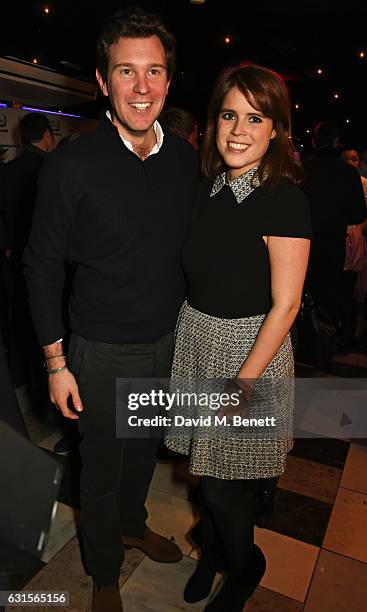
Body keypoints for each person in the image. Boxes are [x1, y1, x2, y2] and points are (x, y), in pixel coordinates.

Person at [23, 7, 198, 611]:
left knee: (143, 454)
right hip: (98, 352)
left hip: (168, 344)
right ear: (103, 80)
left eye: (154, 71)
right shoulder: (71, 166)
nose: (142, 87)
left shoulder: (184, 161)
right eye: (127, 71)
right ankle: (101, 571)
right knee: (99, 468)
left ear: (170, 80)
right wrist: (55, 362)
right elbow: (40, 266)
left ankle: (131, 525)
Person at [165, 63, 311, 611]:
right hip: (199, 341)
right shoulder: (210, 189)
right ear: (214, 121)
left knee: (229, 487)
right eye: (229, 115)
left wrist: (244, 384)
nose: (239, 129)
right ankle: (214, 551)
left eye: (256, 117)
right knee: (206, 473)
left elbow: (287, 302)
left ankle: (244, 567)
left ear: (277, 129)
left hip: (250, 353)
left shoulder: (283, 198)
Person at [0, 112, 55, 405]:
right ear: (47, 135)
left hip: (12, 264)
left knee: (19, 321)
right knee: (44, 323)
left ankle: (20, 378)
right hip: (44, 265)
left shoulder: (8, 170)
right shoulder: (52, 168)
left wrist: (8, 247)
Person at [302, 123, 366, 328]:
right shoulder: (347, 172)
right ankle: (329, 342)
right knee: (333, 294)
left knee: (308, 292)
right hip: (333, 242)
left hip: (305, 242)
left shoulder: (303, 168)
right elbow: (358, 214)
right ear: (337, 142)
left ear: (314, 141)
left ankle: (307, 342)